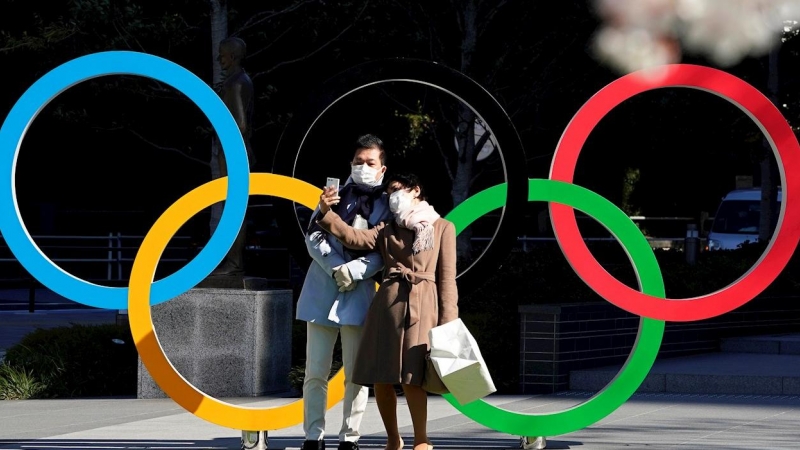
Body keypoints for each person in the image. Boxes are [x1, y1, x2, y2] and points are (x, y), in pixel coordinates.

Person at [315, 172, 459, 450]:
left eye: (396, 189)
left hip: (423, 305)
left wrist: (448, 321)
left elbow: (447, 279)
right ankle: (393, 438)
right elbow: (355, 238)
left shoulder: (443, 227)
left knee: (412, 376)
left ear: (415, 190)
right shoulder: (386, 228)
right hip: (388, 306)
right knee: (382, 376)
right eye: (388, 191)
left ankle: (422, 439)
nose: (391, 196)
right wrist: (326, 212)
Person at [296, 134, 393, 450]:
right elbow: (314, 236)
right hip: (322, 290)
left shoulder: (389, 205)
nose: (364, 167)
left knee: (356, 373)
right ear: (350, 164)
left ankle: (350, 437)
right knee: (315, 372)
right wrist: (336, 267)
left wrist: (355, 271)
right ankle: (313, 435)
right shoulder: (332, 195)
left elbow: (386, 251)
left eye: (370, 162)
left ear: (382, 168)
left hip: (359, 294)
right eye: (358, 162)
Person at [209, 36, 255, 277]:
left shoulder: (235, 83)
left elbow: (239, 123)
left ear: (233, 56)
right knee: (233, 208)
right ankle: (232, 262)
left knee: (233, 209)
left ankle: (234, 264)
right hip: (233, 153)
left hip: (232, 154)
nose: (220, 58)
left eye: (223, 54)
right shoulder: (238, 80)